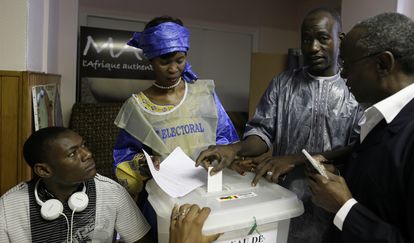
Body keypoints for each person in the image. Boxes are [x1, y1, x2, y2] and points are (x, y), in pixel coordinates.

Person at [196, 8, 363, 243]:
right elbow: (262, 133)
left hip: (334, 206)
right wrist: (234, 149)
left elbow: (359, 148)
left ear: (340, 39)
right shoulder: (283, 84)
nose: (313, 47)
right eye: (306, 39)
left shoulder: (356, 88)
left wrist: (295, 158)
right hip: (285, 199)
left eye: (323, 38)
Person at [306, 12, 414, 243]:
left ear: (383, 64)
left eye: (347, 64)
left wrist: (344, 208)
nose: (342, 74)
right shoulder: (386, 112)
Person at [0, 127, 219, 243]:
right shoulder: (8, 208)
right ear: (44, 170)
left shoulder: (111, 192)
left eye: (83, 145)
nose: (88, 154)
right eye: (73, 153)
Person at [113, 15, 239, 196]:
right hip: (166, 196)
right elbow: (124, 156)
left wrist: (221, 155)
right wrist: (144, 163)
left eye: (179, 60)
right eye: (164, 62)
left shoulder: (203, 94)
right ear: (150, 59)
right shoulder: (137, 107)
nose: (173, 69)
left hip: (209, 189)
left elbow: (225, 137)